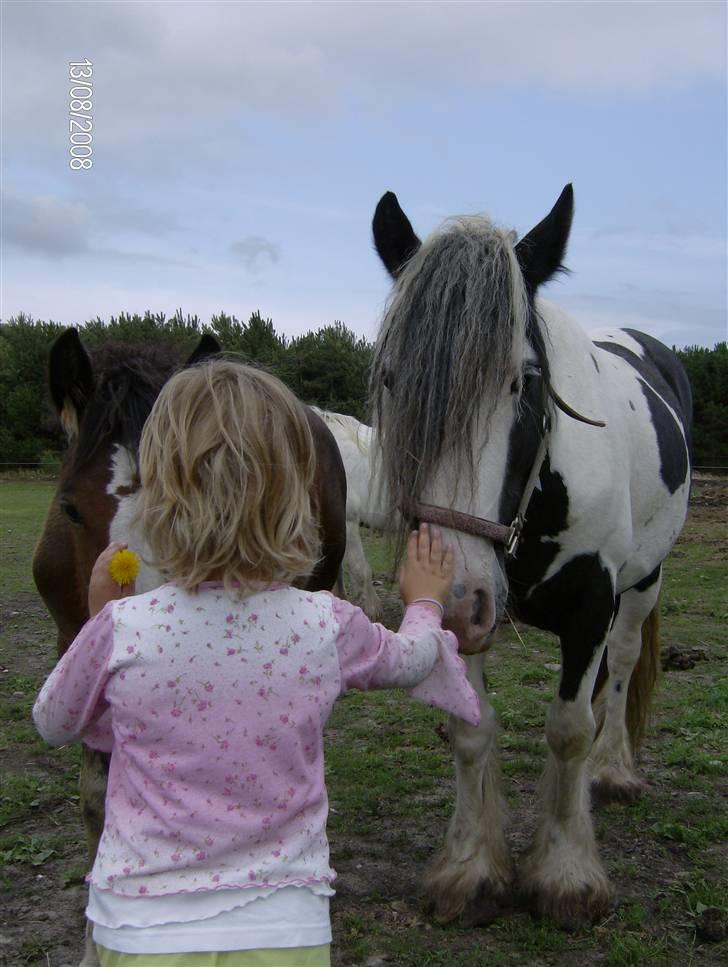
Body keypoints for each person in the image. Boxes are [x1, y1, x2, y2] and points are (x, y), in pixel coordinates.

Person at [33, 360, 480, 967]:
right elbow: (411, 660)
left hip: (138, 928)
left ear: (155, 493)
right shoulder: (326, 623)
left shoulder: (121, 629)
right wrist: (424, 602)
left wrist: (94, 625)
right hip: (283, 928)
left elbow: (54, 722)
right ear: (299, 494)